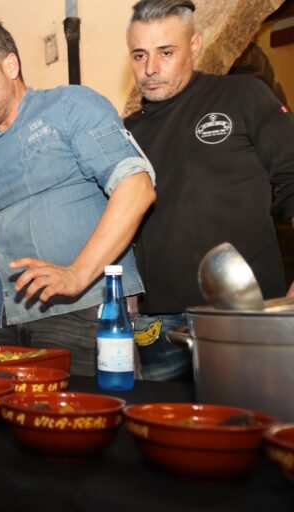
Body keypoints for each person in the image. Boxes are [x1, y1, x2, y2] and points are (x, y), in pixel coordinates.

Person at [0, 18, 156, 376]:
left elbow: (136, 186)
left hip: (83, 310)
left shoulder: (70, 106)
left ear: (10, 65)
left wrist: (78, 274)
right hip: (0, 318)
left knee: (83, 423)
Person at [123, 0, 294, 381]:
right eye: (139, 55)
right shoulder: (127, 132)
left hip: (244, 313)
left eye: (166, 52)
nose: (150, 69)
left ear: (195, 45)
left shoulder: (243, 96)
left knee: (251, 426)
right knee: (162, 431)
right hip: (158, 324)